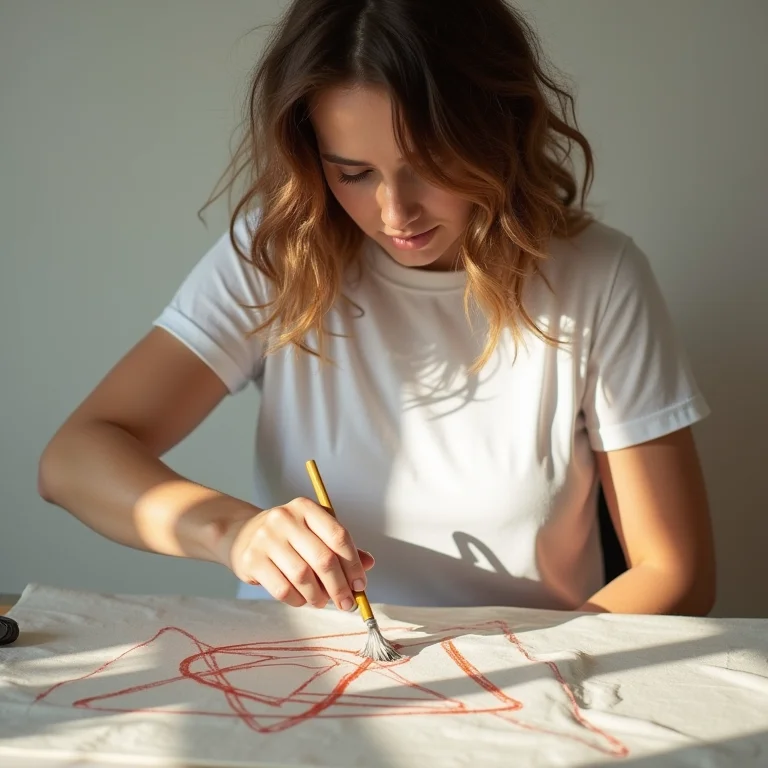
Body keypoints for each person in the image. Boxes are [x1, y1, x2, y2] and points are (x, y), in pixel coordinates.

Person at [38, 0, 716, 616]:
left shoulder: (597, 276)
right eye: (352, 173)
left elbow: (675, 572)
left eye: (430, 162)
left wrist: (506, 676)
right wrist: (229, 530)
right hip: (298, 674)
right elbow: (73, 458)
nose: (395, 213)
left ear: (495, 130)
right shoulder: (280, 255)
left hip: (525, 683)